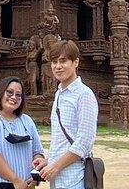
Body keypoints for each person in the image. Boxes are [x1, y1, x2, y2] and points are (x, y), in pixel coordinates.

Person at [40, 40, 98, 189]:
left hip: (75, 179)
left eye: (63, 61)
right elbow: (62, 140)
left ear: (76, 62)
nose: (57, 66)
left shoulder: (84, 95)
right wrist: (49, 161)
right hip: (58, 180)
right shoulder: (59, 94)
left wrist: (56, 167)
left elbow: (84, 142)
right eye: (54, 62)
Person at [0, 77, 46, 189]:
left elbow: (37, 151)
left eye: (18, 95)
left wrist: (39, 163)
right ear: (1, 93)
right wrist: (15, 180)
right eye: (9, 92)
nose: (14, 97)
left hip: (27, 184)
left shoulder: (27, 121)